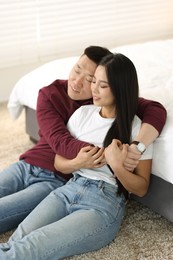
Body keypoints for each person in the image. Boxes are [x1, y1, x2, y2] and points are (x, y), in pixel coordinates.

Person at [0, 53, 154, 259]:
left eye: (102, 85)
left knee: (31, 246)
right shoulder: (82, 114)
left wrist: (118, 167)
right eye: (94, 82)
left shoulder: (136, 128)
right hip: (69, 188)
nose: (93, 89)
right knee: (17, 240)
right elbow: (59, 163)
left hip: (102, 204)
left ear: (119, 88)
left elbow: (141, 188)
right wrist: (77, 162)